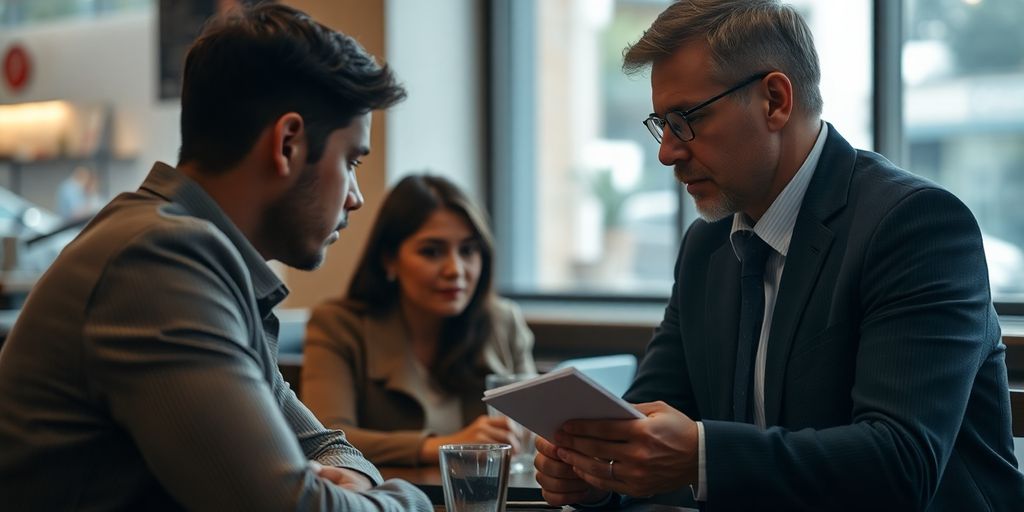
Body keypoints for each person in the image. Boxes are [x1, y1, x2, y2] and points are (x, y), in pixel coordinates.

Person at [533, 1, 1024, 510]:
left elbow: (901, 465)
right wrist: (597, 473)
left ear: (774, 100)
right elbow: (645, 427)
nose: (667, 152)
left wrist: (703, 457)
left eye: (687, 119)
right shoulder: (707, 246)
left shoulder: (914, 226)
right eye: (663, 123)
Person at [0, 4, 431, 511]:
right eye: (351, 161)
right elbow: (290, 507)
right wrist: (414, 502)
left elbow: (326, 447)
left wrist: (351, 482)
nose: (355, 197)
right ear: (288, 144)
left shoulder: (197, 260)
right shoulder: (158, 264)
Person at [302, 174, 536, 466]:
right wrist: (445, 446)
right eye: (432, 252)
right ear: (389, 259)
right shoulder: (338, 325)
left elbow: (534, 430)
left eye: (468, 250)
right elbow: (324, 439)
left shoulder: (503, 322)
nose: (455, 270)